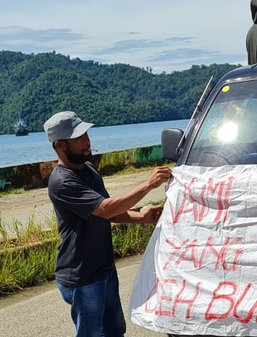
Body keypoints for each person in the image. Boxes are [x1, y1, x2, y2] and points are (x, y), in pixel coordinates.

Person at [44, 111, 172, 337]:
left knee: (115, 331)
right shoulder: (62, 181)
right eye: (78, 138)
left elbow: (109, 213)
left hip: (104, 268)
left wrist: (141, 217)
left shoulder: (89, 170)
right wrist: (148, 185)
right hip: (81, 276)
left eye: (86, 134)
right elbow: (106, 208)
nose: (87, 141)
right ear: (60, 146)